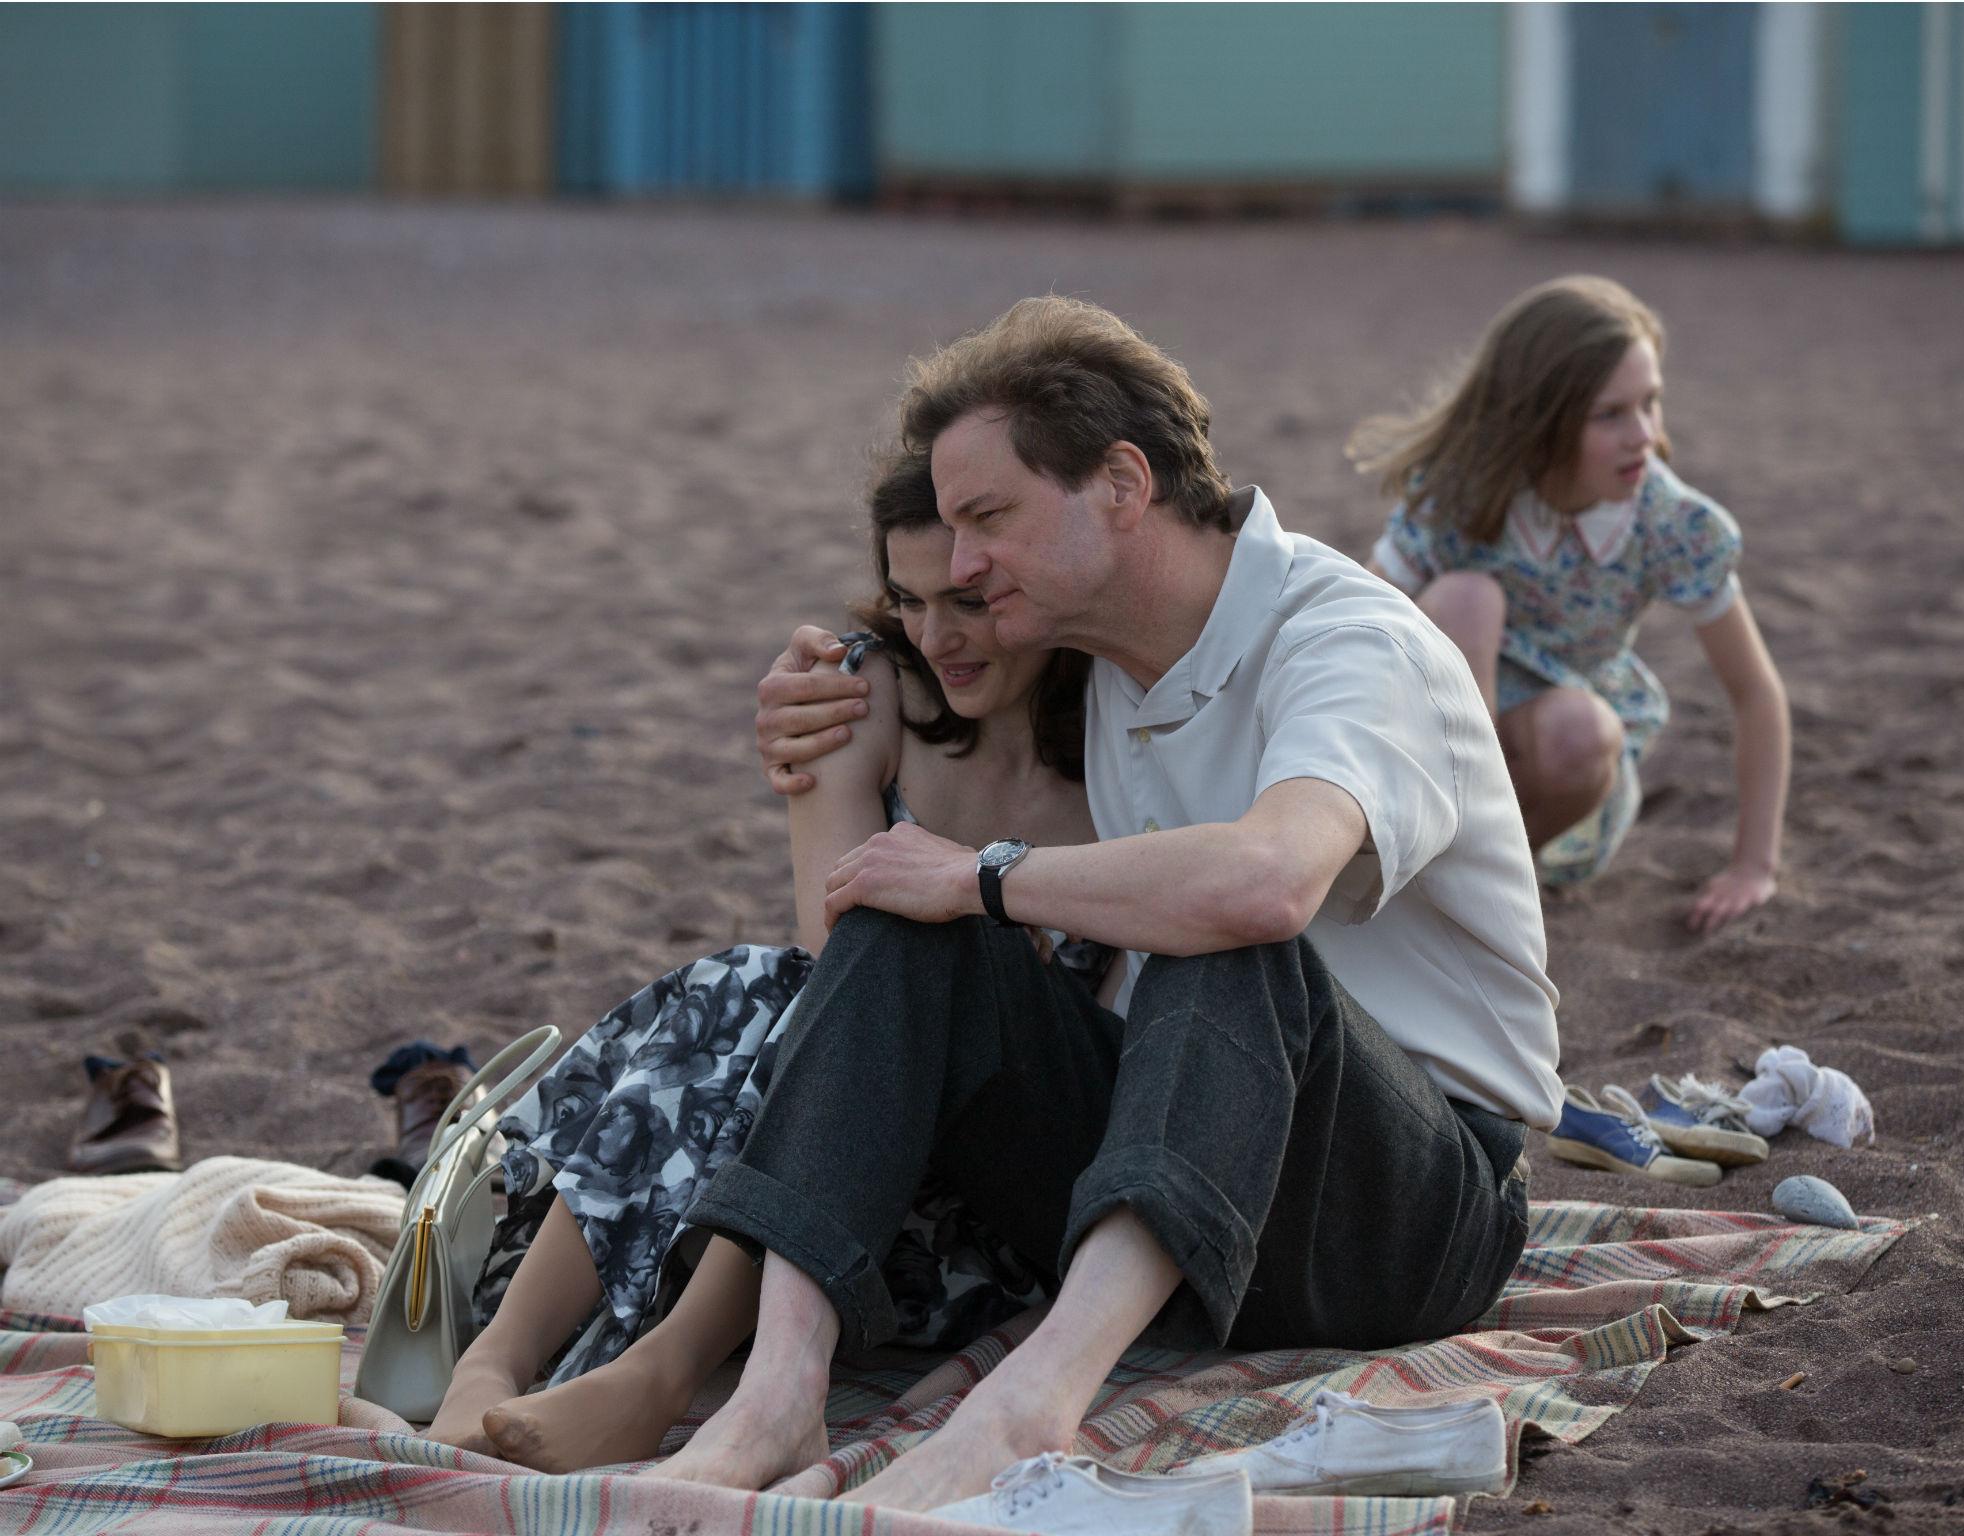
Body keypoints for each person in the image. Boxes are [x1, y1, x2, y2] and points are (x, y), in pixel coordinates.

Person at [686, 296, 1563, 1513]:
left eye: (987, 519)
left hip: (1405, 1215)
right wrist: (828, 703)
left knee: (1221, 926)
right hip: (1173, 1195)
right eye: (950, 530)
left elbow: (1267, 881)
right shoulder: (1099, 663)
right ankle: (776, 1391)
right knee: (908, 909)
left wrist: (978, 876)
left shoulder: (1349, 644)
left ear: (1119, 483)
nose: (967, 566)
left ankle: (1031, 1407)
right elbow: (913, 699)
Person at [420, 449, 1112, 1473]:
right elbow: (842, 979)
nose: (938, 637)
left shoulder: (1126, 740)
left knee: (786, 1001)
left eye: (968, 599)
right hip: (835, 1164)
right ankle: (494, 1360)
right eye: (909, 600)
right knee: (759, 989)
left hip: (982, 1213)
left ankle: (663, 1366)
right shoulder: (856, 691)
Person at [1347, 275, 1791, 931]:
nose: (1643, 434)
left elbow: (1756, 692)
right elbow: (1354, 625)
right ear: (1541, 418)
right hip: (1444, 739)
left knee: (1581, 730)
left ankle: (1485, 871)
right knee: (1466, 599)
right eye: (1611, 414)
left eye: (1652, 403)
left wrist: (1755, 865)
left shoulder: (1672, 524)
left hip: (1563, 772)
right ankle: (1429, 849)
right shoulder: (1462, 490)